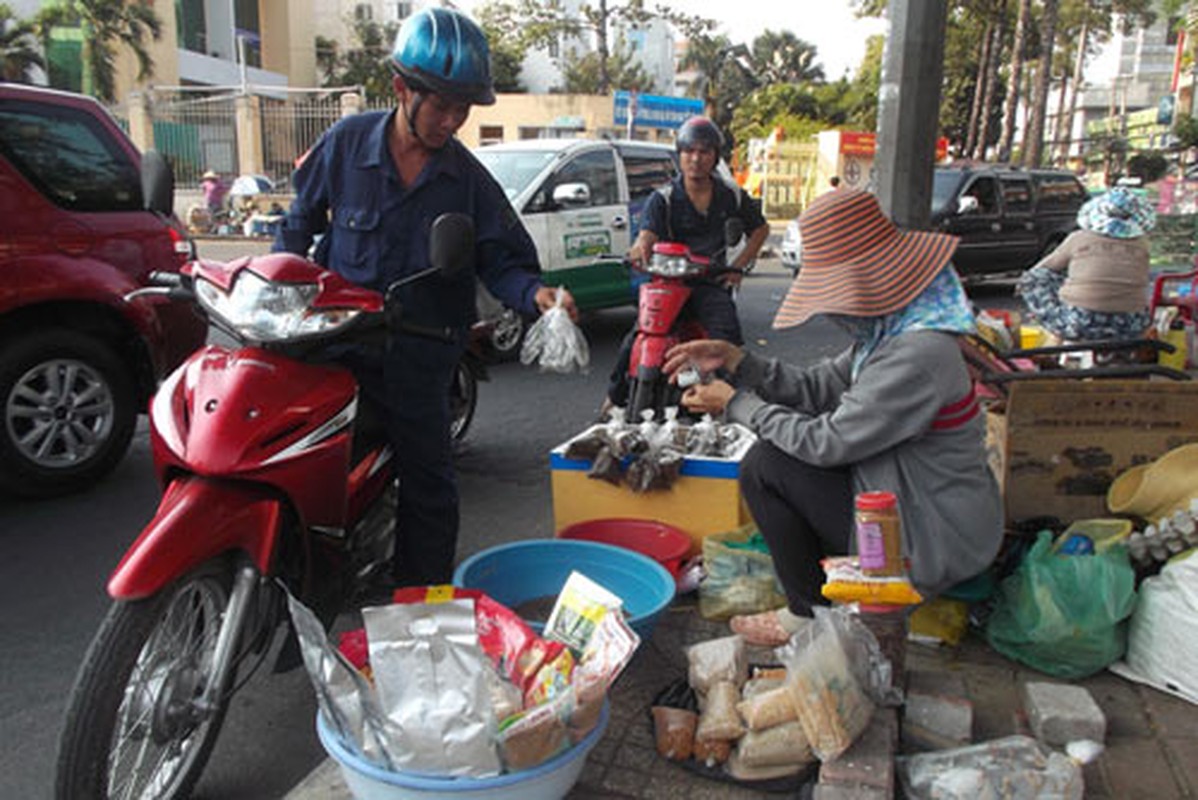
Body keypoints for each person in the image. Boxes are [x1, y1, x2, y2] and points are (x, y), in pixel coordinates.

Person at [274, 7, 576, 587]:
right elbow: (297, 225)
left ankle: (422, 611)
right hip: (336, 351)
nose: (452, 120)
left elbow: (503, 260)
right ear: (401, 89)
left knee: (431, 494)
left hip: (419, 363)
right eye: (441, 104)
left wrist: (538, 295)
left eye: (463, 108)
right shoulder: (344, 144)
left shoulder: (466, 180)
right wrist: (275, 282)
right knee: (295, 470)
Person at [662, 188, 1003, 647]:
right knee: (774, 457)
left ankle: (808, 612)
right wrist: (740, 361)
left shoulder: (918, 354)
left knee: (767, 466)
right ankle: (819, 594)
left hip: (933, 531)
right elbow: (818, 387)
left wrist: (737, 404)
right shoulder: (889, 334)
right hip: (900, 492)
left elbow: (828, 443)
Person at [604, 116, 770, 411]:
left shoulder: (730, 194)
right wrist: (640, 247)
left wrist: (739, 266)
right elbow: (646, 236)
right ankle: (613, 401)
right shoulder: (663, 198)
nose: (696, 158)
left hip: (710, 283)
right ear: (679, 155)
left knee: (728, 337)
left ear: (715, 156)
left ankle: (736, 403)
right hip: (667, 285)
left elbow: (760, 229)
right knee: (635, 339)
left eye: (705, 151)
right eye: (689, 151)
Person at [1016, 187, 1156, 343]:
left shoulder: (1078, 238)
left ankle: (1057, 335)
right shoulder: (1143, 244)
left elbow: (1042, 269)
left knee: (1034, 279)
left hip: (1081, 324)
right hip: (1132, 326)